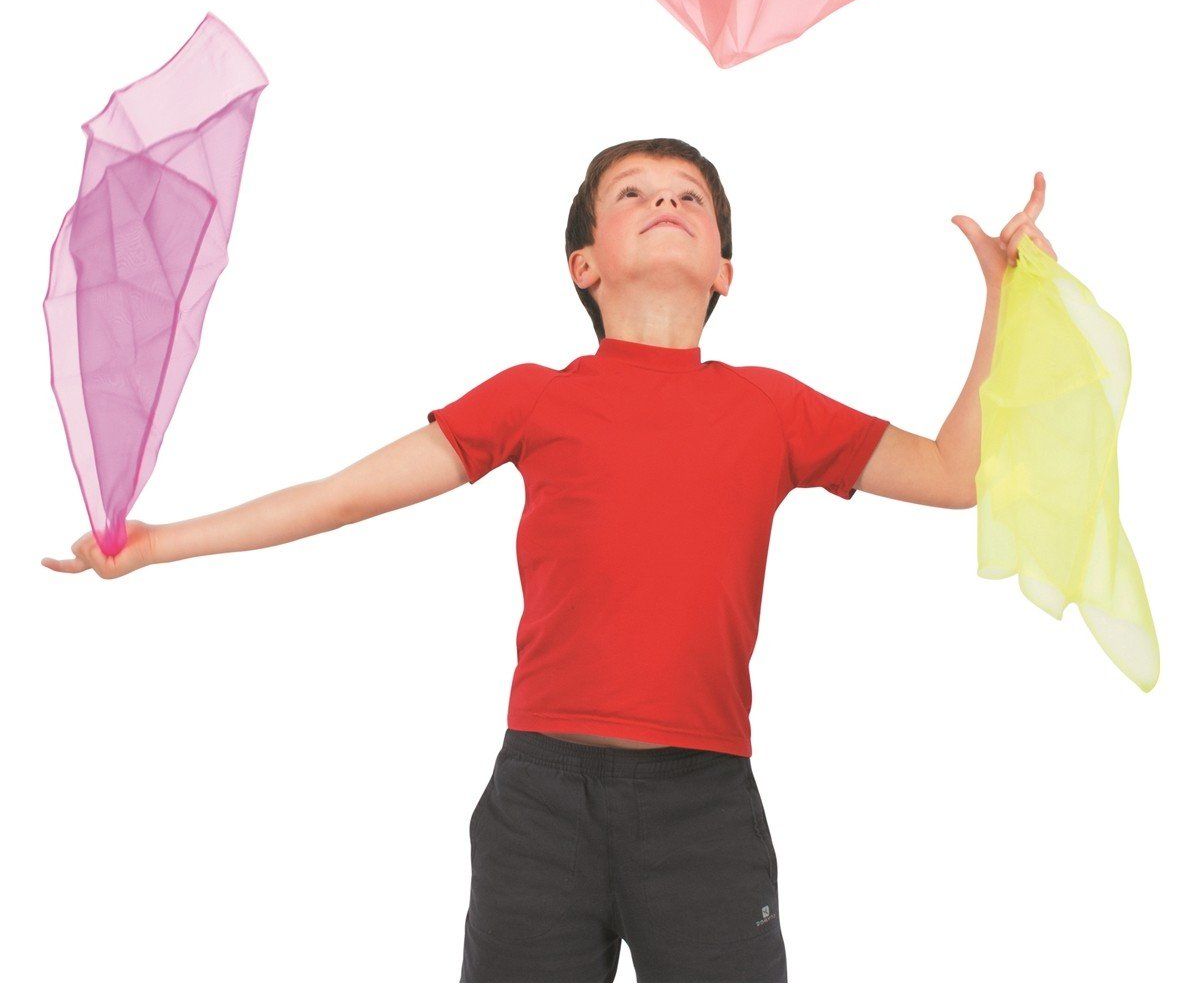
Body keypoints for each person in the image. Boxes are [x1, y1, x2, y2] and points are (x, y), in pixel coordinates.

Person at [43, 138, 1055, 982]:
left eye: (689, 197)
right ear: (585, 263)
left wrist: (1001, 301)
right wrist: (161, 542)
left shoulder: (773, 406)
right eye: (633, 193)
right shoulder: (535, 396)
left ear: (724, 270)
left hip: (705, 805)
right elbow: (344, 493)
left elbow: (953, 472)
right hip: (541, 803)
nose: (665, 200)